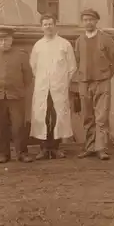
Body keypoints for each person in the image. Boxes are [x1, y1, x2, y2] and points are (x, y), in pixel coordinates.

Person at [30, 14, 77, 160]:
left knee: (57, 116)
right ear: (41, 27)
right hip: (42, 87)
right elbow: (34, 66)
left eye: (50, 24)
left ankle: (56, 148)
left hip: (59, 88)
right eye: (45, 24)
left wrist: (63, 83)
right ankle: (44, 148)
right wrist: (43, 81)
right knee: (42, 115)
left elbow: (72, 67)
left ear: (55, 25)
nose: (48, 27)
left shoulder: (65, 44)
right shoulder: (38, 45)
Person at [75, 9, 114, 160]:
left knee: (101, 116)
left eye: (91, 20)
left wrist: (106, 76)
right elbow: (77, 61)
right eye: (85, 20)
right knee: (87, 117)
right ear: (83, 22)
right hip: (84, 83)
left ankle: (101, 148)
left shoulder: (106, 39)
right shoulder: (79, 40)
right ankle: (89, 147)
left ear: (96, 21)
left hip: (102, 82)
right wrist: (82, 78)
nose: (88, 22)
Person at [0, 28, 33, 163]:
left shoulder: (21, 55)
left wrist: (18, 88)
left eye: (6, 39)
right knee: (0, 126)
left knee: (18, 126)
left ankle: (22, 153)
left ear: (11, 40)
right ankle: (4, 154)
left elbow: (28, 76)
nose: (3, 42)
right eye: (0, 40)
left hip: (16, 96)